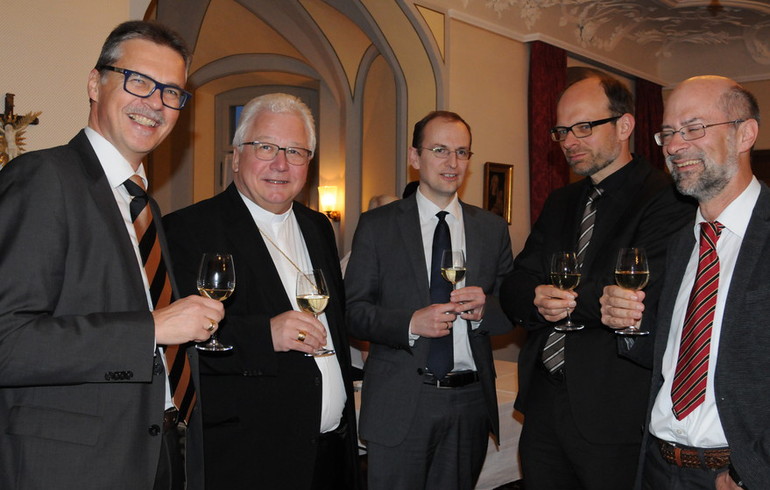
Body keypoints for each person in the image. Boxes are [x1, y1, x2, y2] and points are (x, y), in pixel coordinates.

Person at [0, 20, 224, 490]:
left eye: (172, 93)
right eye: (139, 81)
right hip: (72, 469)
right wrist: (154, 328)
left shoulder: (141, 202)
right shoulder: (44, 178)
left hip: (155, 455)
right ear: (94, 83)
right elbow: (9, 341)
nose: (155, 104)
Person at [499, 69, 695, 489]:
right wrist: (536, 297)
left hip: (613, 409)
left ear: (624, 125)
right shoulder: (561, 201)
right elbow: (515, 283)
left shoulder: (667, 197)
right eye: (562, 130)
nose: (569, 141)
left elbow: (636, 295)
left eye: (584, 127)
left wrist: (561, 298)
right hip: (543, 400)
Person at [163, 93, 361, 490]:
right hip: (249, 458)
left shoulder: (318, 227)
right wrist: (265, 334)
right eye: (266, 147)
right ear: (236, 156)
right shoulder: (187, 229)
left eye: (295, 151)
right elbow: (176, 351)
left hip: (330, 452)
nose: (281, 164)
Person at [600, 76, 766, 489]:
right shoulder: (681, 244)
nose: (674, 147)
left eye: (694, 128)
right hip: (657, 465)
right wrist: (630, 325)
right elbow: (678, 354)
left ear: (745, 133)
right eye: (668, 133)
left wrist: (757, 471)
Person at [346, 110, 514, 489]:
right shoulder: (378, 225)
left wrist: (486, 309)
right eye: (439, 150)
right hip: (401, 401)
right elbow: (352, 313)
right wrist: (409, 324)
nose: (452, 162)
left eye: (462, 152)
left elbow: (511, 308)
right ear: (414, 157)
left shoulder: (490, 229)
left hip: (469, 404)